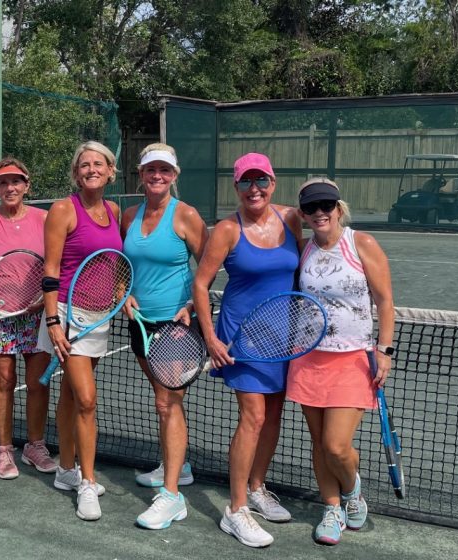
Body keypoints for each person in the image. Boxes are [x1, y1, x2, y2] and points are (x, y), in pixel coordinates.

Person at [191, 152, 302, 547]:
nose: (254, 189)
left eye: (261, 181)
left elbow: (328, 220)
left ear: (273, 183)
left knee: (273, 414)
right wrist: (211, 337)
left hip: (286, 337)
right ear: (236, 187)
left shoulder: (291, 219)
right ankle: (236, 510)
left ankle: (256, 487)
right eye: (245, 182)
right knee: (253, 417)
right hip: (242, 338)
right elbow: (201, 284)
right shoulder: (226, 229)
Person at [287, 178, 394, 545]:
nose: (320, 213)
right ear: (303, 214)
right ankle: (331, 508)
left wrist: (384, 350)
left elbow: (384, 301)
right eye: (311, 208)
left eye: (326, 206)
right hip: (308, 357)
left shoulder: (360, 243)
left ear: (338, 207)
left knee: (336, 445)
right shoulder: (303, 250)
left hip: (352, 358)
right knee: (318, 442)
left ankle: (352, 491)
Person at [121, 143, 208, 529]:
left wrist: (191, 304)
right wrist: (124, 293)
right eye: (150, 170)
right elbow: (124, 265)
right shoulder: (129, 216)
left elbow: (208, 267)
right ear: (140, 175)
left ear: (175, 175)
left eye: (165, 171)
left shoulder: (185, 215)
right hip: (140, 324)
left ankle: (172, 497)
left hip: (177, 325)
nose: (157, 176)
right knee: (163, 402)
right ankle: (178, 466)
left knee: (166, 404)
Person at [39, 141, 121, 521]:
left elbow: (112, 261)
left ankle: (65, 470)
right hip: (68, 317)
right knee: (88, 400)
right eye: (84, 165)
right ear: (77, 173)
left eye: (98, 164)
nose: (91, 169)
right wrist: (54, 322)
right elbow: (51, 270)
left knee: (72, 396)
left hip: (101, 317)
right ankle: (87, 482)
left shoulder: (114, 210)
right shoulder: (61, 210)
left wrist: (122, 290)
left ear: (110, 170)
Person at [0, 158, 56, 479]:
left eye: (16, 181)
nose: (10, 188)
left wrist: (43, 298)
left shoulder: (45, 219)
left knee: (37, 384)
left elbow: (54, 264)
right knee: (4, 382)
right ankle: (5, 450)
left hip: (37, 314)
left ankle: (35, 446)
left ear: (27, 186)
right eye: (3, 183)